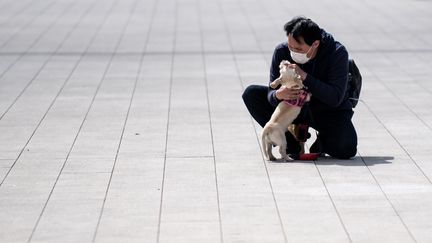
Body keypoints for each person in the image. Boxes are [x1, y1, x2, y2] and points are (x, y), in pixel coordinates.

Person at [242, 16, 357, 159]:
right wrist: (278, 94)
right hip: (291, 108)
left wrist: (304, 76)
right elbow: (271, 93)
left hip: (325, 110)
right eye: (291, 46)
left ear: (315, 44)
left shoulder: (336, 53)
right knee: (251, 94)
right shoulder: (281, 51)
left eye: (298, 48)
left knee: (346, 148)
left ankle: (322, 142)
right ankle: (290, 143)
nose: (293, 51)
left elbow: (335, 98)